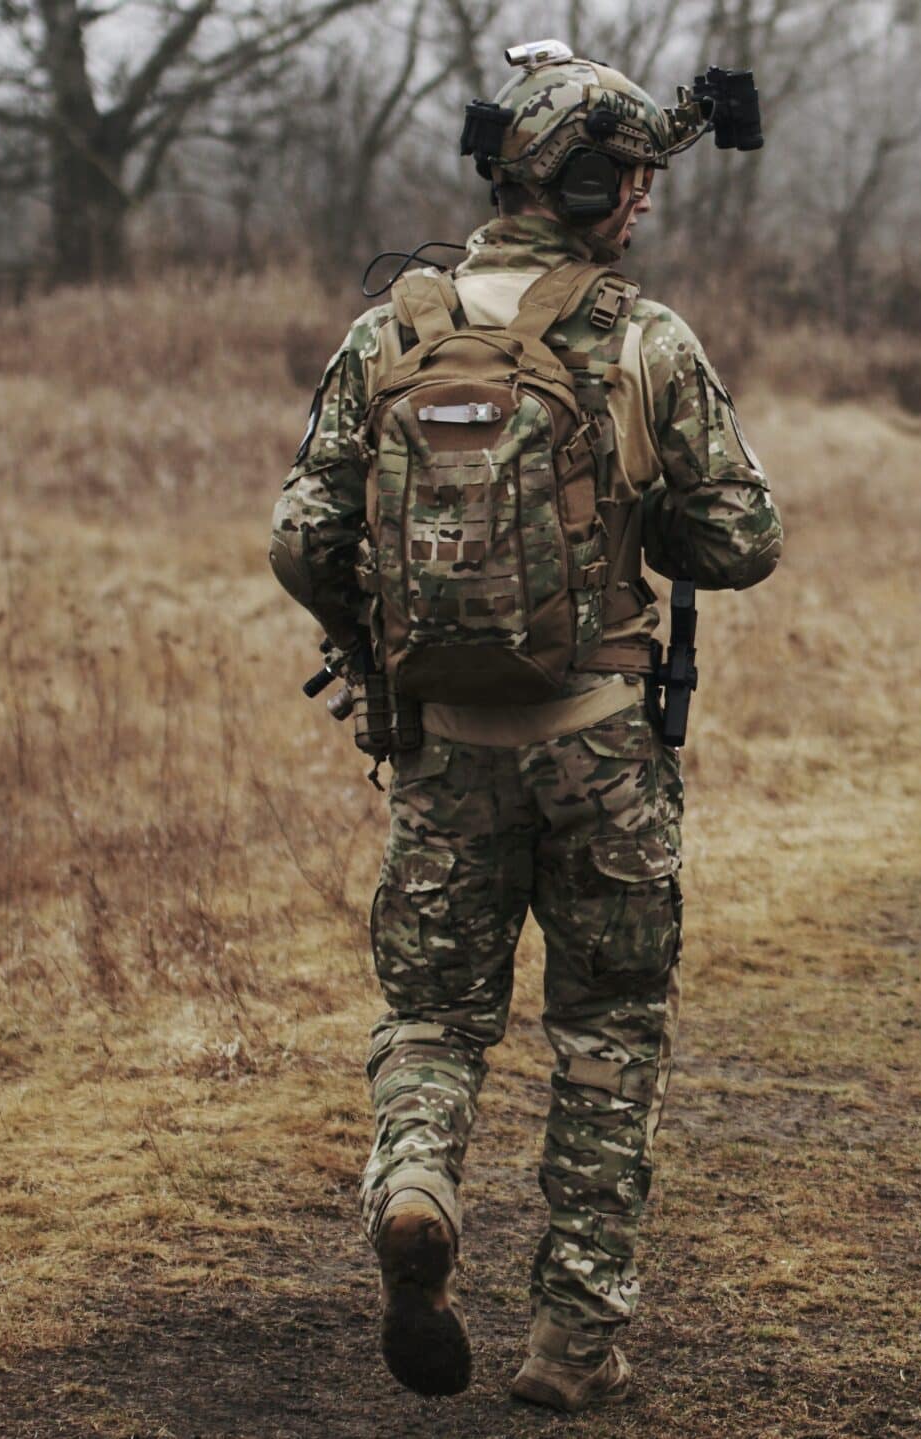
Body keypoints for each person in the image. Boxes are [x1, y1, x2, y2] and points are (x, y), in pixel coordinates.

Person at [268, 40, 781, 1411]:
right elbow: (743, 542)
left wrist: (374, 651)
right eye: (638, 183)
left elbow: (301, 534)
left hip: (441, 750)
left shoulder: (392, 332)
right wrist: (641, 515)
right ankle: (573, 1345)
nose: (648, 207)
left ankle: (420, 1181)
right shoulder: (642, 340)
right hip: (605, 744)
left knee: (433, 1015)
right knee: (608, 1035)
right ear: (596, 185)